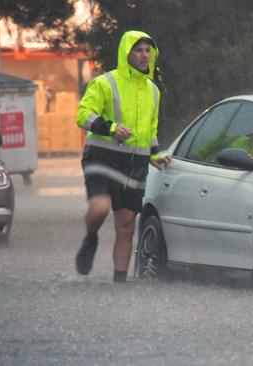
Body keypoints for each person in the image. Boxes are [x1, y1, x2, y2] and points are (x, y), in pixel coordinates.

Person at [74, 30, 170, 283]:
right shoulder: (105, 83)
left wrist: (156, 154)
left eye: (148, 50)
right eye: (138, 50)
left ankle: (119, 285)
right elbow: (83, 114)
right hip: (102, 159)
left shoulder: (153, 91)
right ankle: (90, 236)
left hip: (135, 166)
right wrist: (112, 127)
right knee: (100, 207)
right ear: (126, 53)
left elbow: (150, 130)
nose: (144, 55)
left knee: (126, 225)